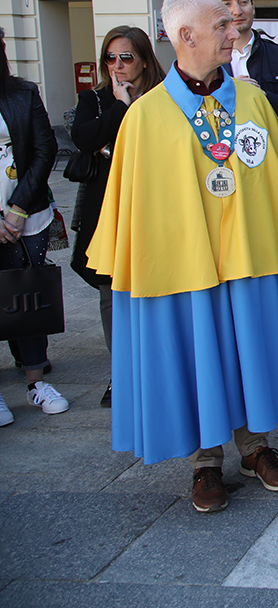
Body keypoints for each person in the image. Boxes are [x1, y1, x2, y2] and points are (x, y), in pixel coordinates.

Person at [87, 0, 278, 513]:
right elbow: (131, 206)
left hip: (248, 257)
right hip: (185, 266)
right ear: (184, 35)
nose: (234, 29)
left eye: (232, 21)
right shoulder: (145, 117)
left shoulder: (253, 99)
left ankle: (256, 448)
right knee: (201, 353)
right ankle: (205, 463)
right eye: (221, 23)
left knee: (248, 347)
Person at [69, 26, 166, 408]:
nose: (118, 65)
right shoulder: (93, 99)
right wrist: (121, 105)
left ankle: (159, 367)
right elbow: (85, 139)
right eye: (110, 58)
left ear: (144, 58)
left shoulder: (165, 95)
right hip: (109, 204)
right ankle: (122, 373)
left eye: (126, 57)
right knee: (113, 291)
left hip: (155, 204)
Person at [0, 26, 67, 424]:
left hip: (26, 214)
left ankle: (36, 380)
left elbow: (45, 150)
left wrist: (16, 208)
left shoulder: (22, 92)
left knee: (25, 294)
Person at [207, 0, 278, 140]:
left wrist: (262, 95)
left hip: (275, 150)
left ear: (253, 8)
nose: (237, 11)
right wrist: (228, 89)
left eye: (243, 2)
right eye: (227, 4)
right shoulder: (205, 64)